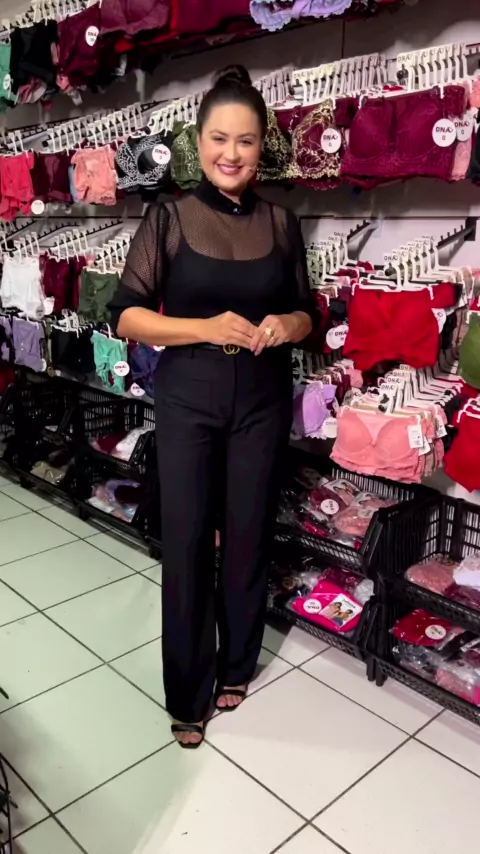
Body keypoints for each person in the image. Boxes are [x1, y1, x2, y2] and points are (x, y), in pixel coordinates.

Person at [109, 64, 313, 748]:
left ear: (261, 148)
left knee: (249, 535)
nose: (232, 153)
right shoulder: (168, 217)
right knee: (190, 541)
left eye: (246, 141)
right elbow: (126, 315)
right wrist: (203, 327)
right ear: (198, 143)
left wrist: (288, 324)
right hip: (189, 395)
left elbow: (307, 313)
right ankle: (188, 691)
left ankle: (237, 664)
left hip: (261, 396)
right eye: (219, 139)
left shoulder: (282, 224)